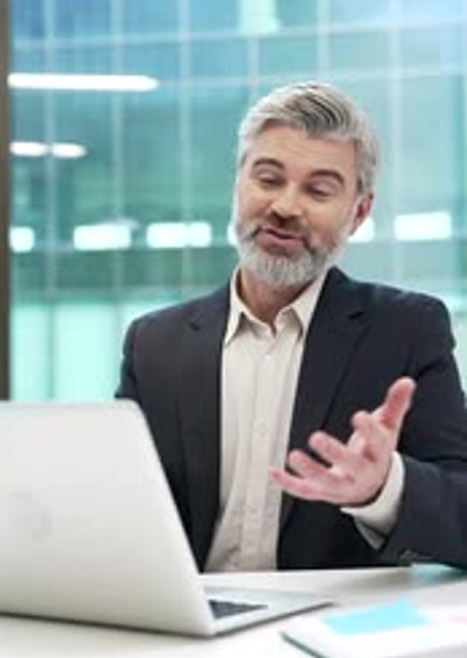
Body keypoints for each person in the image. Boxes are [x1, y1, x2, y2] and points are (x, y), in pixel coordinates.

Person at [116, 81, 467, 572]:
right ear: (238, 183)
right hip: (191, 624)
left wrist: (383, 487)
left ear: (358, 213)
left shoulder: (407, 330)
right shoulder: (155, 342)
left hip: (329, 632)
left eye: (318, 190)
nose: (285, 206)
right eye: (268, 179)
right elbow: (119, 502)